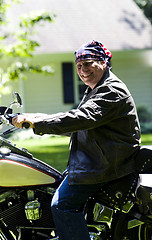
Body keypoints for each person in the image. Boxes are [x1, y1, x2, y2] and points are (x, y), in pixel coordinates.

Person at [12, 40, 141, 240]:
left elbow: (81, 118)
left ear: (103, 62)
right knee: (45, 188)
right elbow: (78, 123)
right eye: (79, 66)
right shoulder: (97, 88)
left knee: (61, 206)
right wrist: (36, 117)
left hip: (105, 165)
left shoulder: (111, 90)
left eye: (88, 63)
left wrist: (39, 124)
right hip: (94, 161)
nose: (82, 70)